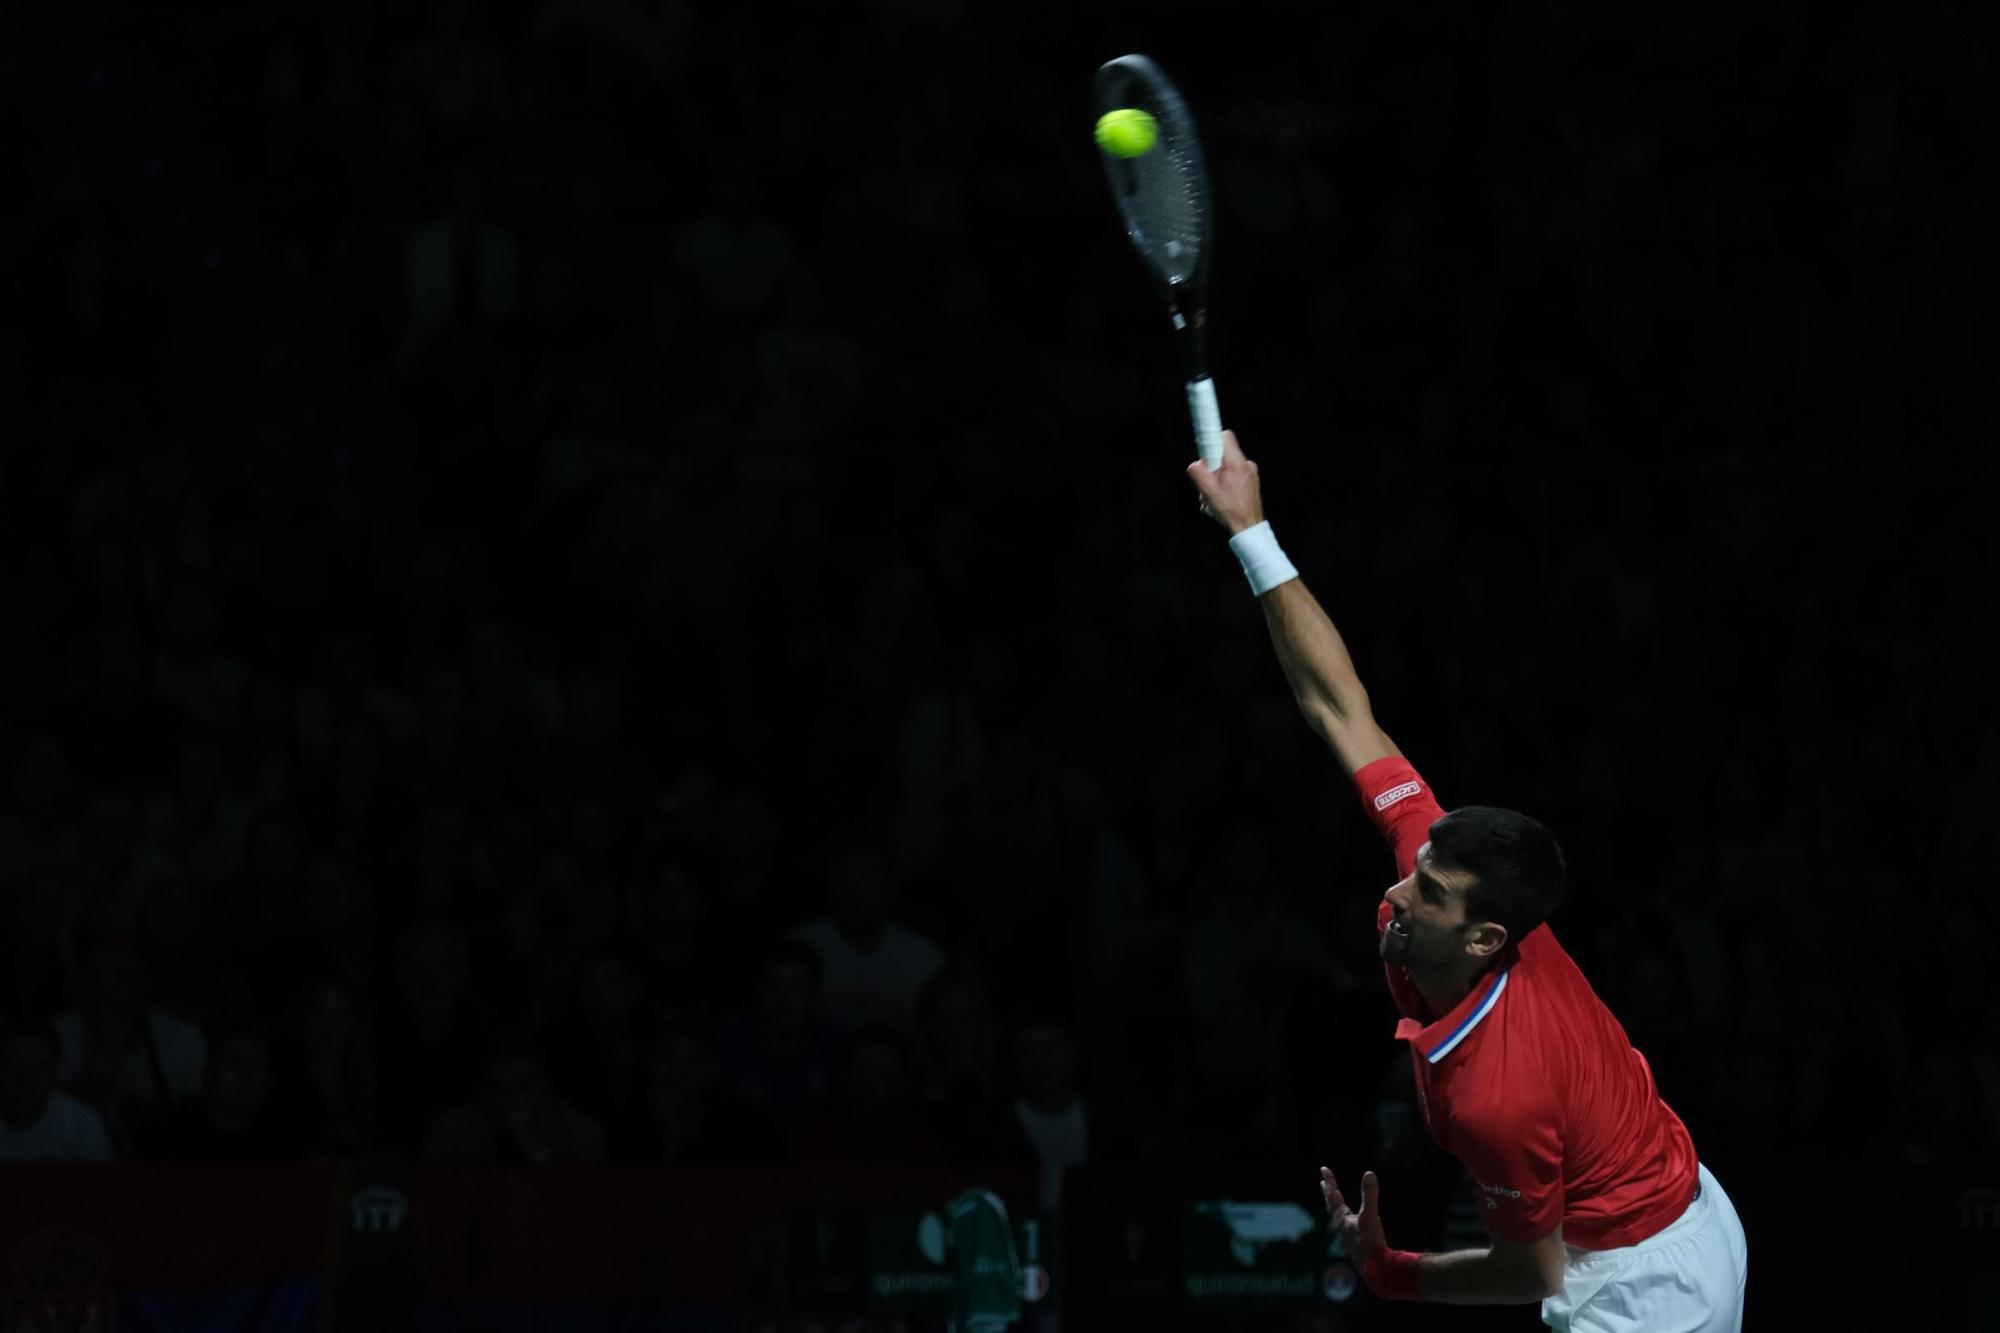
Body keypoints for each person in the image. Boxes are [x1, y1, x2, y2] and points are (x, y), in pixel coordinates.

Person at [1186, 430, 1748, 1329]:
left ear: (1487, 937)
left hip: (1642, 1288)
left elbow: (1533, 1268)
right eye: (1418, 868)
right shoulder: (1443, 871)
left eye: (1430, 894)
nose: (1400, 891)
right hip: (1674, 1206)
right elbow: (1340, 707)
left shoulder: (1497, 1090)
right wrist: (1252, 534)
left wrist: (1390, 1272)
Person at [0, 1016, 112, 1162]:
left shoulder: (82, 1127)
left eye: (38, 1069)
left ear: (54, 1073)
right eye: (13, 1067)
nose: (25, 1080)